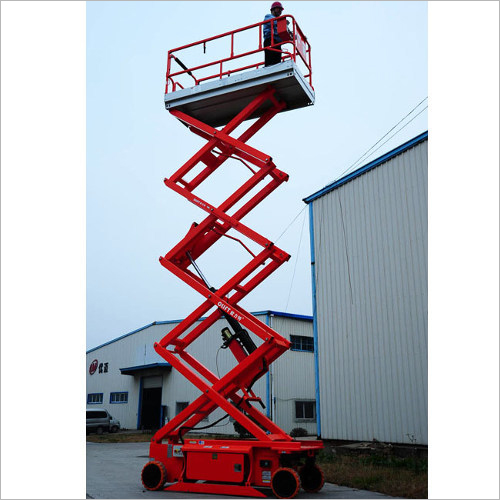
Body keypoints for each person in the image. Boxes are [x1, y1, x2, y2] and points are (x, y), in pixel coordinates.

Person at [263, 2, 285, 67]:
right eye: (278, 9)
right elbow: (272, 22)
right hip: (270, 41)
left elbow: (284, 33)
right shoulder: (268, 16)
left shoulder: (279, 21)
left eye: (281, 10)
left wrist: (295, 36)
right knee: (270, 63)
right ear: (273, 9)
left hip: (277, 43)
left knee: (277, 64)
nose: (280, 11)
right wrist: (282, 22)